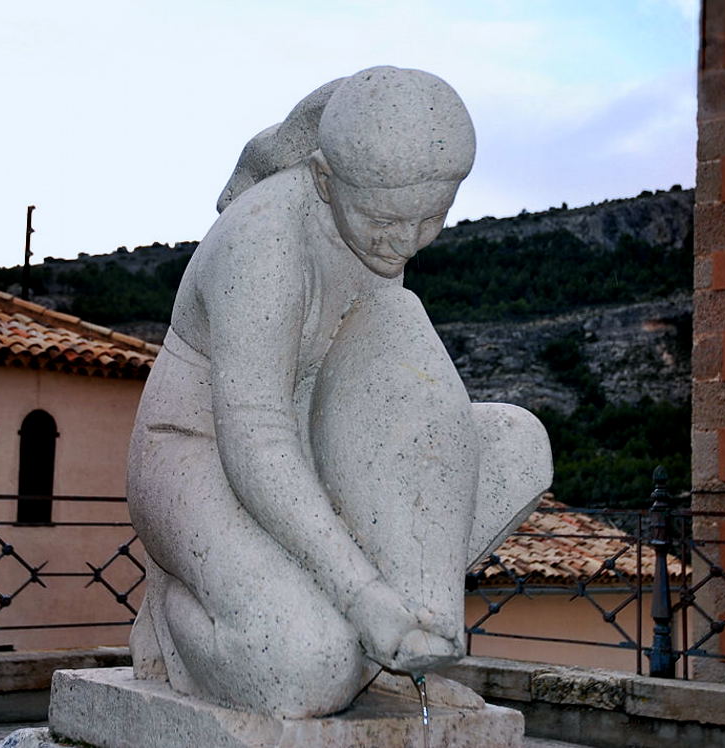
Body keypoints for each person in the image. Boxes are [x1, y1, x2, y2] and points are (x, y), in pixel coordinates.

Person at [127, 66, 490, 718]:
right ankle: (175, 612)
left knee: (515, 450)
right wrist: (358, 592)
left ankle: (389, 656)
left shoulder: (373, 224)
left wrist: (413, 600)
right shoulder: (264, 240)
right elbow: (255, 433)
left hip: (308, 447)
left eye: (430, 219)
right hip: (197, 452)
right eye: (385, 220)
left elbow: (394, 392)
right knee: (308, 667)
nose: (406, 243)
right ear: (326, 179)